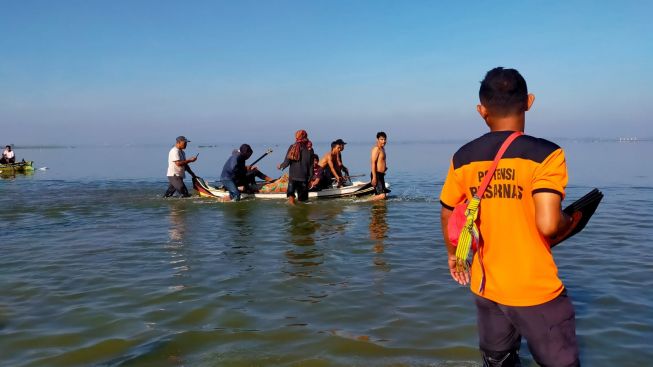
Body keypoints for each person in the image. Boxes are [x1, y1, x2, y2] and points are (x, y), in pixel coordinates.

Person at [439, 67, 582, 366]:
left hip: (486, 285)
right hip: (535, 289)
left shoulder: (463, 157)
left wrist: (454, 254)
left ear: (481, 110)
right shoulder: (546, 155)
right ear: (529, 101)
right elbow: (548, 223)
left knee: (497, 361)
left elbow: (448, 209)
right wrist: (573, 220)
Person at [278, 130, 313, 204]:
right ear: (306, 136)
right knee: (303, 201)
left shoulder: (293, 147)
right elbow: (311, 165)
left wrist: (280, 166)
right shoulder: (310, 149)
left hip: (293, 178)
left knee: (291, 197)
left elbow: (287, 162)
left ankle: (292, 206)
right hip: (304, 178)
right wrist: (310, 178)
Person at [370, 132, 388, 200]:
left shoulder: (382, 149)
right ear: (377, 140)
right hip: (376, 174)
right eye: (382, 139)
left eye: (385, 139)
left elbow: (381, 161)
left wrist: (384, 168)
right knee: (382, 196)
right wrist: (374, 177)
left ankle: (377, 209)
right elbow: (373, 163)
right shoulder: (376, 149)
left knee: (384, 196)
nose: (384, 141)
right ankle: (363, 201)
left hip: (381, 175)